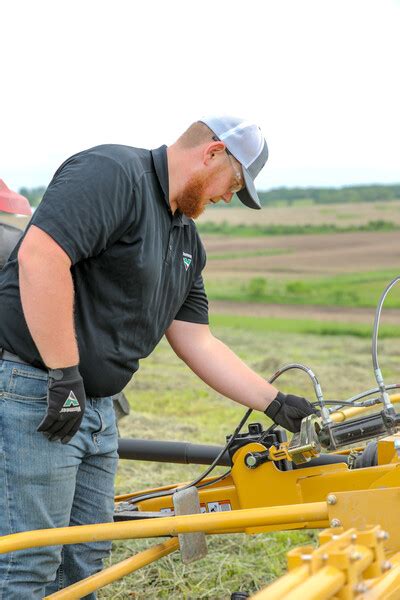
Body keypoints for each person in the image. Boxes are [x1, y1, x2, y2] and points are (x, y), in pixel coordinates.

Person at [0, 115, 316, 598]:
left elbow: (197, 340)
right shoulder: (112, 174)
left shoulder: (185, 240)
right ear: (211, 153)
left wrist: (275, 401)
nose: (227, 197)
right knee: (30, 560)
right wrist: (64, 375)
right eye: (232, 184)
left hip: (97, 408)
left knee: (87, 555)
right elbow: (42, 257)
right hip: (37, 394)